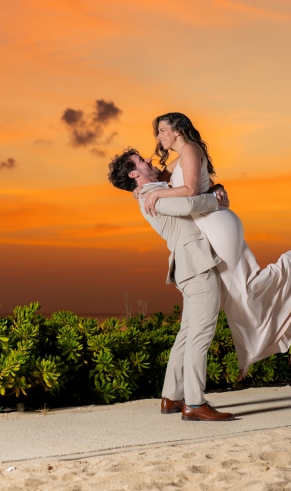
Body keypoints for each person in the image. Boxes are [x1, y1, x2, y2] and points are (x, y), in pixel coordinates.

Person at [143, 112, 291, 380]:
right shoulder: (178, 159)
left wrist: (156, 193)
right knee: (233, 290)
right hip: (209, 223)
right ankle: (248, 354)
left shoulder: (189, 148)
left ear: (177, 129)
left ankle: (290, 264)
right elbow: (169, 182)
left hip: (217, 222)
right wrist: (153, 189)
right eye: (158, 132)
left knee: (239, 287)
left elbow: (188, 190)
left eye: (162, 130)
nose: (158, 137)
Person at [108, 148, 235, 421]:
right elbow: (189, 205)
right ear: (134, 174)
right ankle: (195, 403)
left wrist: (217, 184)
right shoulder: (150, 196)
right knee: (200, 335)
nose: (150, 160)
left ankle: (172, 396)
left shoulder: (157, 188)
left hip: (189, 265)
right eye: (142, 161)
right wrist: (215, 198)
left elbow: (186, 156)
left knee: (188, 333)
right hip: (197, 265)